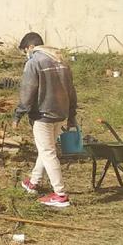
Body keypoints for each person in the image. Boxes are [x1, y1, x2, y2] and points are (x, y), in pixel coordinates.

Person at [13, 32, 78, 208]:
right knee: (46, 148)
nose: (26, 54)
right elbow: (72, 91)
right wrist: (71, 116)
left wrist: (18, 114)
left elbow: (28, 91)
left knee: (48, 152)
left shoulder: (34, 62)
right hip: (61, 114)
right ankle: (34, 182)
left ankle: (60, 194)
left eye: (25, 51)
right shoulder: (61, 61)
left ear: (30, 47)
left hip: (43, 114)